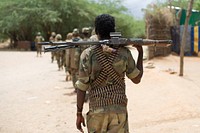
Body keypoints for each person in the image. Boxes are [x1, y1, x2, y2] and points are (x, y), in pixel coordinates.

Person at [75, 14, 143, 133]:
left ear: (96, 31)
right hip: (118, 111)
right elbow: (137, 79)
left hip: (97, 111)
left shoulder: (87, 54)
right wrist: (140, 53)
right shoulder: (123, 53)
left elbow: (82, 87)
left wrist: (79, 113)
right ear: (114, 30)